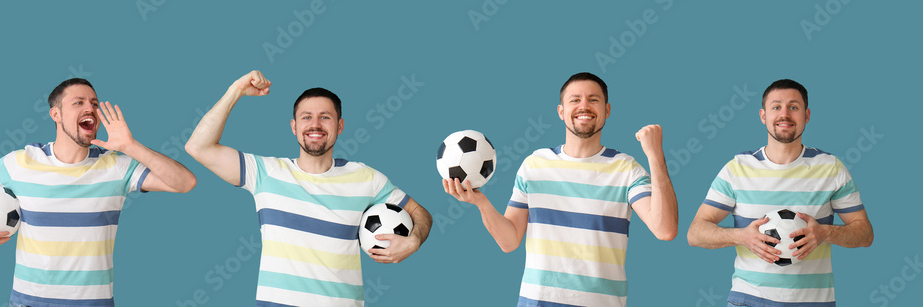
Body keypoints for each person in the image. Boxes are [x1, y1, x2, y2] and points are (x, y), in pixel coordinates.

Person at [185, 70, 432, 306]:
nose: (315, 124)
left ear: (340, 126)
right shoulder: (265, 172)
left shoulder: (366, 178)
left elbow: (420, 213)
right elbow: (198, 147)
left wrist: (415, 240)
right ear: (294, 127)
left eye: (325, 117)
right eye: (306, 117)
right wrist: (236, 90)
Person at [0, 78, 197, 307]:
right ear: (55, 114)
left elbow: (185, 183)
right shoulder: (21, 162)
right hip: (29, 301)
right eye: (78, 102)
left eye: (93, 103)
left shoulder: (117, 166)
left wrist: (131, 146)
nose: (90, 108)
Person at [444, 72, 678, 307]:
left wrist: (655, 153)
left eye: (593, 99)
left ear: (607, 111)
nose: (584, 106)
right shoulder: (534, 165)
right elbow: (509, 241)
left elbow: (665, 229)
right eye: (575, 100)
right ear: (561, 111)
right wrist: (482, 204)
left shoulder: (627, 169)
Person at [686, 79, 873, 306]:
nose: (784, 114)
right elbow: (695, 233)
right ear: (763, 116)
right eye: (776, 107)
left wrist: (825, 233)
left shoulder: (831, 168)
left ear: (807, 115)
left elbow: (864, 234)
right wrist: (742, 236)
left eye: (794, 107)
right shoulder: (736, 169)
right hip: (748, 301)